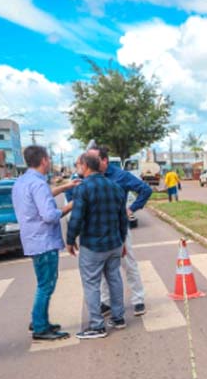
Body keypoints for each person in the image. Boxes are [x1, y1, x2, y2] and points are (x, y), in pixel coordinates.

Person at [11, 145, 77, 341]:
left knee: (43, 283)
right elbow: (49, 215)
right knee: (46, 284)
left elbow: (44, 196)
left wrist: (66, 187)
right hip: (44, 241)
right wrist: (71, 205)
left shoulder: (22, 181)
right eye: (48, 158)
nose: (49, 161)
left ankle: (40, 319)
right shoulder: (38, 184)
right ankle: (40, 326)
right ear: (44, 161)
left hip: (32, 239)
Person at [66, 152, 128, 339]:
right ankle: (118, 318)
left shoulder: (83, 189)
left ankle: (97, 325)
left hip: (93, 245)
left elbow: (76, 218)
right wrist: (122, 240)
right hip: (114, 243)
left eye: (78, 165)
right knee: (114, 279)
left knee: (91, 283)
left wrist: (70, 240)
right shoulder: (116, 187)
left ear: (85, 166)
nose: (78, 168)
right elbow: (122, 219)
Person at [97, 146, 152, 317]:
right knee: (103, 267)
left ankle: (138, 299)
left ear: (104, 160)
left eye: (94, 160)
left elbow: (145, 189)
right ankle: (106, 301)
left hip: (119, 227)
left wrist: (132, 208)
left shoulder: (121, 176)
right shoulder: (92, 176)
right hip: (100, 229)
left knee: (129, 263)